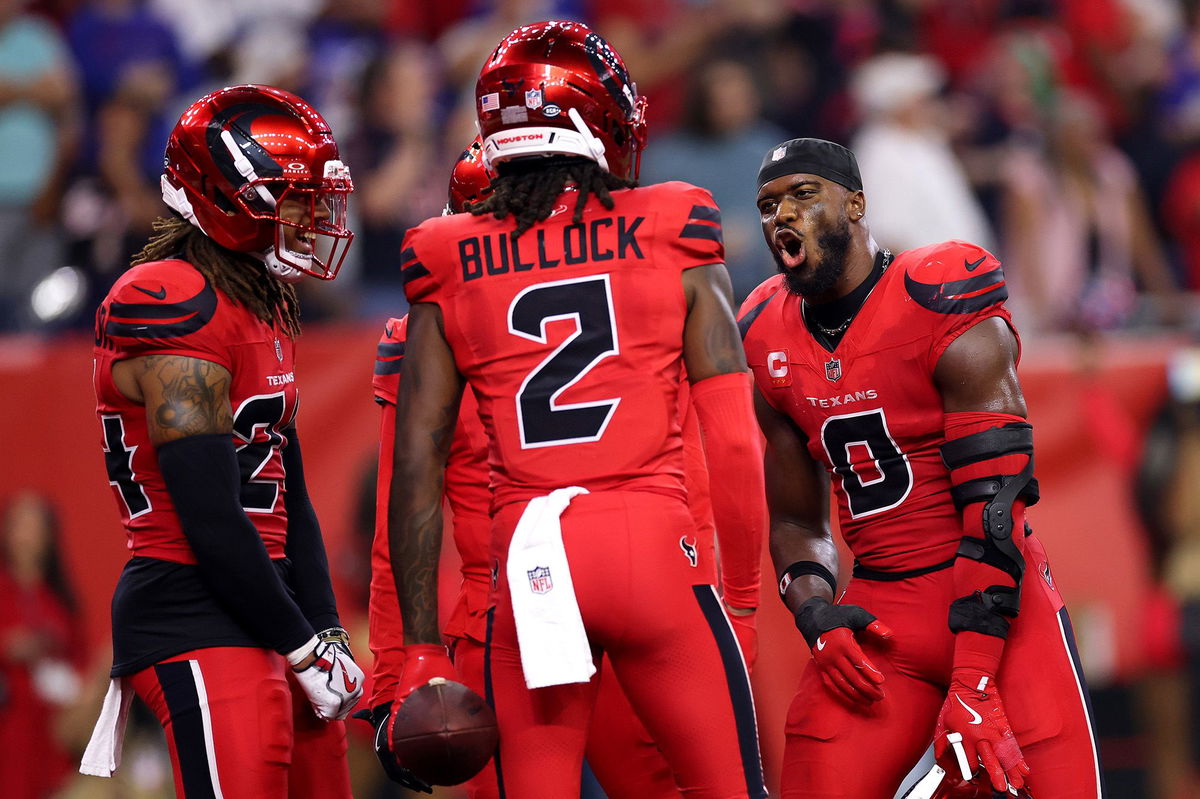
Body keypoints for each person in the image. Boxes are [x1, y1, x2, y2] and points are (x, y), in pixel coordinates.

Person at [385, 20, 767, 799]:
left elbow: (416, 464)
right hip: (656, 548)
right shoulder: (674, 221)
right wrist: (748, 601)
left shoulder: (444, 252)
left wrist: (419, 647)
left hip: (529, 566)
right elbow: (733, 440)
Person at [740, 137, 1104, 798]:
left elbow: (998, 503)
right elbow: (796, 516)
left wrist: (974, 678)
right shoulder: (765, 328)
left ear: (855, 204)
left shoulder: (938, 291)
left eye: (802, 194)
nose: (781, 216)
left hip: (999, 602)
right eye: (767, 205)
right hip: (884, 613)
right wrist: (814, 607)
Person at [82, 84, 364, 799]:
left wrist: (324, 627)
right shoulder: (165, 296)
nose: (311, 215)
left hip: (263, 599)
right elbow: (210, 514)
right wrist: (298, 639)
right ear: (231, 197)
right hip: (193, 606)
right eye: (291, 195)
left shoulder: (256, 299)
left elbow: (289, 492)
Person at [0, 491, 83, 799]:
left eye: (35, 526)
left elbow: (79, 660)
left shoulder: (59, 601)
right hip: (10, 728)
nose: (26, 536)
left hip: (53, 735)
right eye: (19, 524)